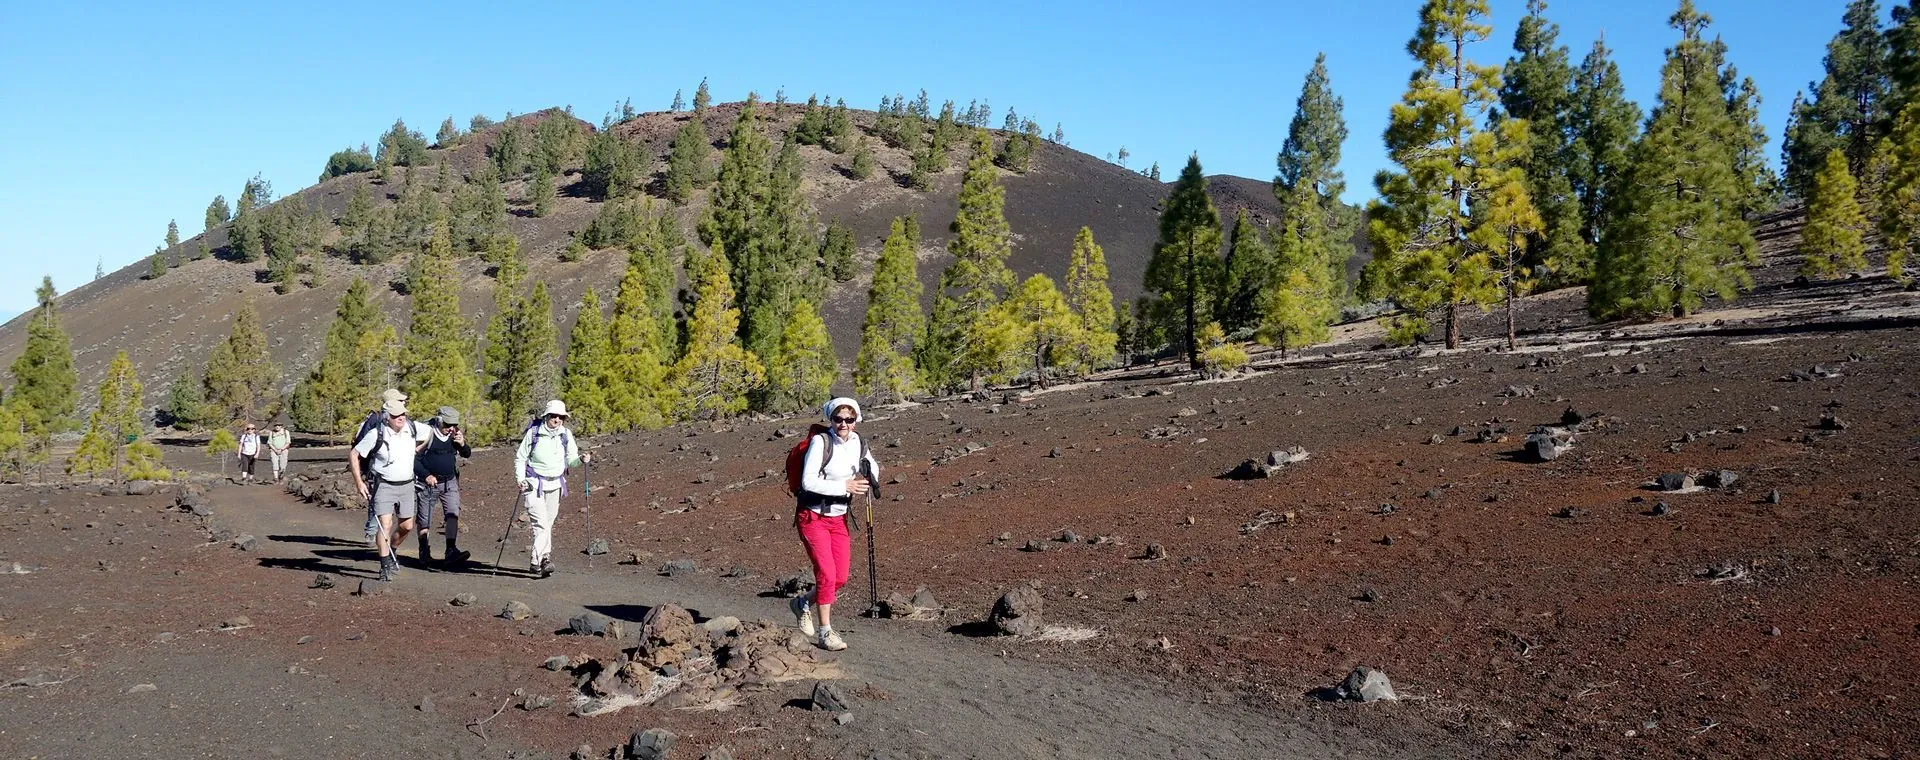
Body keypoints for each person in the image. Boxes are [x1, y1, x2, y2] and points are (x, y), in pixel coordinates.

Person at [790, 396, 880, 651]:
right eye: (838, 419)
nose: (844, 424)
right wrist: (846, 486)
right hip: (812, 516)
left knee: (839, 577)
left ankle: (802, 603)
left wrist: (870, 477)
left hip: (838, 517)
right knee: (827, 575)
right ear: (830, 419)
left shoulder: (859, 442)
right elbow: (808, 482)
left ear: (856, 419)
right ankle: (825, 632)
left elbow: (872, 466)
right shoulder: (821, 442)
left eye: (849, 419)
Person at [350, 398, 430, 581]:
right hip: (384, 485)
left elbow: (430, 433)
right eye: (395, 415)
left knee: (407, 526)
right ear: (387, 417)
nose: (400, 417)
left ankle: (392, 550)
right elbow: (354, 454)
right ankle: (384, 563)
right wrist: (359, 483)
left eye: (403, 413)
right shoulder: (376, 433)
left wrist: (417, 449)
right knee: (385, 524)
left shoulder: (413, 428)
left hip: (407, 484)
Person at [512, 400, 590, 579]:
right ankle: (538, 560)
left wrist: (581, 460)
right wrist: (520, 479)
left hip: (556, 484)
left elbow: (571, 460)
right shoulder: (534, 433)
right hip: (533, 483)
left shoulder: (565, 435)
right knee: (541, 523)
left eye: (561, 416)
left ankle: (543, 559)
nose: (557, 419)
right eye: (553, 416)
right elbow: (520, 458)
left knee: (548, 523)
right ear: (546, 416)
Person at [348, 389, 410, 545]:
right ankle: (373, 532)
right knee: (378, 501)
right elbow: (360, 445)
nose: (404, 403)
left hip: (396, 471)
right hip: (376, 469)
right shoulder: (375, 419)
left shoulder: (400, 420)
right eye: (400, 401)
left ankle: (377, 534)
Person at [414, 406, 472, 568]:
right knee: (424, 518)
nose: (451, 428)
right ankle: (424, 550)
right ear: (439, 420)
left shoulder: (454, 435)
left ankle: (451, 550)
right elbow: (414, 459)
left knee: (453, 513)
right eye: (447, 425)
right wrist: (426, 475)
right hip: (428, 483)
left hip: (450, 481)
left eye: (453, 425)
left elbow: (466, 454)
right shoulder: (427, 434)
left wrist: (462, 443)